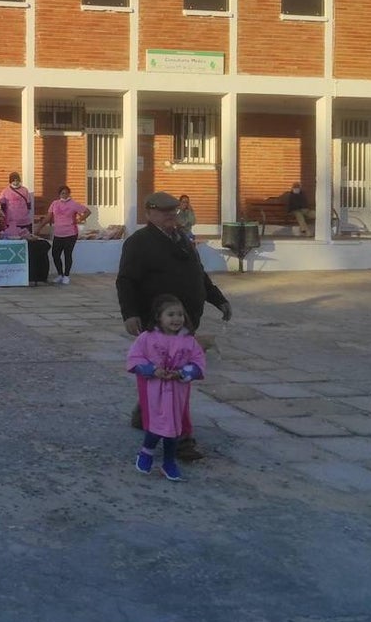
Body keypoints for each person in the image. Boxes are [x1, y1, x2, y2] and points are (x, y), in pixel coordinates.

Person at [116, 190, 231, 461]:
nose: (171, 216)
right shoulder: (139, 242)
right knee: (175, 382)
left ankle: (144, 413)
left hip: (185, 321)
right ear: (149, 213)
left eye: (173, 212)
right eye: (164, 212)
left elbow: (198, 274)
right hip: (160, 325)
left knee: (163, 381)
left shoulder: (181, 238)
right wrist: (130, 313)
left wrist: (218, 299)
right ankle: (181, 440)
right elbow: (126, 280)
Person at [127, 294, 207, 482]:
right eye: (170, 314)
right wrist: (153, 370)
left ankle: (169, 462)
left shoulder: (189, 340)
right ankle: (146, 452)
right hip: (154, 389)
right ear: (158, 317)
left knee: (174, 427)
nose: (176, 319)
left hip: (177, 390)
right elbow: (134, 358)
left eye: (180, 314)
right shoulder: (147, 338)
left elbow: (198, 361)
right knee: (156, 423)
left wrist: (183, 372)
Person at [38, 185, 91, 284]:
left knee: (67, 254)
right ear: (59, 194)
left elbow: (87, 212)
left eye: (66, 193)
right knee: (55, 254)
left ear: (69, 194)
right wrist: (39, 227)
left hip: (70, 233)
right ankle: (60, 274)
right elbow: (48, 217)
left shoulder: (74, 204)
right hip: (58, 233)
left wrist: (79, 219)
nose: (64, 195)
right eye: (62, 193)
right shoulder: (54, 204)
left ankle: (66, 275)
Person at [0, 171, 34, 236]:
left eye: (17, 180)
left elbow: (29, 204)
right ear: (10, 181)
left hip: (25, 221)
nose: (15, 182)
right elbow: (2, 206)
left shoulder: (25, 190)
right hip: (11, 222)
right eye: (13, 180)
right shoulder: (5, 191)